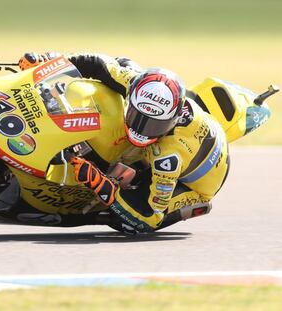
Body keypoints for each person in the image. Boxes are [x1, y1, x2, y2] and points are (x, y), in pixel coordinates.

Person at [18, 52, 230, 234]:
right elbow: (96, 63)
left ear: (171, 120)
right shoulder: (138, 83)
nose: (141, 129)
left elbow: (151, 215)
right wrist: (46, 62)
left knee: (128, 223)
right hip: (188, 136)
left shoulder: (169, 158)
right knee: (124, 62)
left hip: (194, 184)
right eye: (137, 116)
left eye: (153, 125)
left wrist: (99, 183)